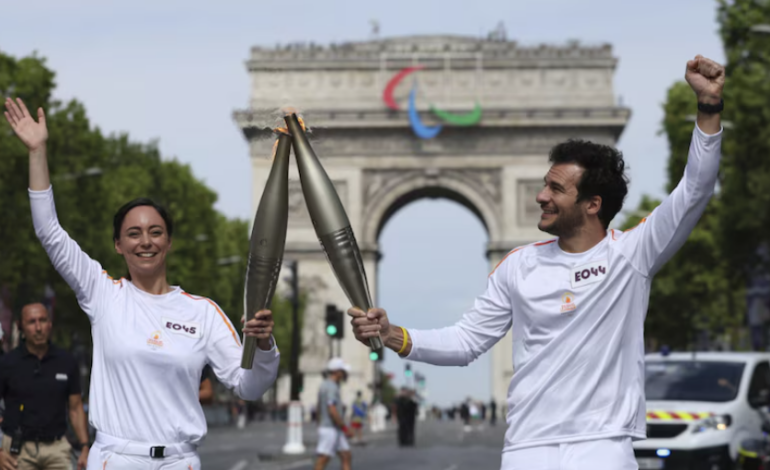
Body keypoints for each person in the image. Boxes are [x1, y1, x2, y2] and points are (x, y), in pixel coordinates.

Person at [348, 55, 725, 469]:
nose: (540, 196)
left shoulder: (631, 254)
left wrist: (708, 108)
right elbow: (465, 342)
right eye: (543, 184)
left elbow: (695, 191)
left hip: (601, 446)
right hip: (528, 447)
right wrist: (391, 334)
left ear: (592, 204)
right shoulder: (517, 266)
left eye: (555, 188)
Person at [3, 97, 280, 470]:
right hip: (116, 459)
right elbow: (49, 232)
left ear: (168, 242)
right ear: (118, 245)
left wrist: (262, 345)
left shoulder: (203, 312)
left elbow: (249, 386)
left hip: (180, 461)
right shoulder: (103, 294)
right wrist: (37, 151)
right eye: (133, 234)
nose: (145, 241)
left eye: (155, 232)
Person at [0, 302, 90, 470]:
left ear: (50, 324)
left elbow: (76, 408)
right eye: (31, 322)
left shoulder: (66, 362)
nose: (38, 327)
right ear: (21, 327)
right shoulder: (7, 363)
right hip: (16, 451)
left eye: (42, 320)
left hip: (56, 448)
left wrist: (85, 447)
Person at [314, 358, 353, 470]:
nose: (345, 374)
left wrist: (318, 422)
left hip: (333, 428)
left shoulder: (328, 385)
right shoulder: (331, 387)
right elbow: (332, 410)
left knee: (346, 454)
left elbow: (318, 407)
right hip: (330, 428)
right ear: (336, 371)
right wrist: (345, 428)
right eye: (343, 371)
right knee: (323, 458)